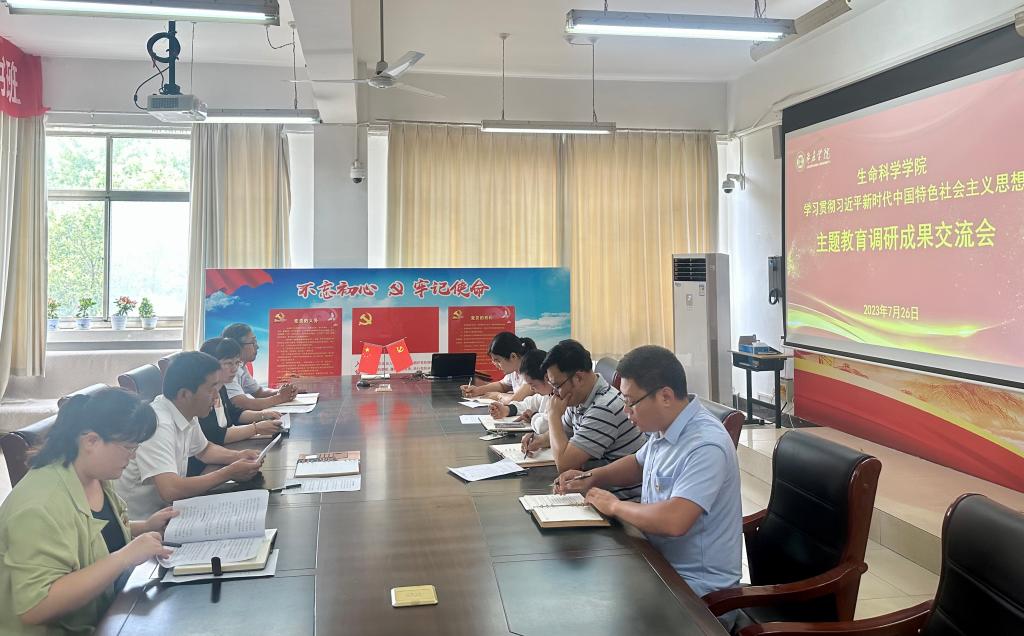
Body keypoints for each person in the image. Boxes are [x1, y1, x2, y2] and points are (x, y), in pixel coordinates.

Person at [554, 344, 742, 622]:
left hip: (696, 592)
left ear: (665, 396)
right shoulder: (666, 425)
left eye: (631, 402)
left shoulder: (705, 445)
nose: (626, 410)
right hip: (656, 562)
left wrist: (615, 506)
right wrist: (592, 477)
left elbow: (674, 521)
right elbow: (639, 464)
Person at [0, 388, 178, 634]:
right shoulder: (39, 506)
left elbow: (91, 536)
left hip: (105, 611)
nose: (132, 457)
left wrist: (145, 526)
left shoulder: (94, 475)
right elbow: (36, 606)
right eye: (128, 448)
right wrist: (124, 557)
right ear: (91, 441)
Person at [116, 351, 264, 518]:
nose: (216, 396)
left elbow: (204, 450)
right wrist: (228, 473)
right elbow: (170, 490)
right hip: (145, 523)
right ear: (184, 394)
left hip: (169, 512)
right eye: (211, 389)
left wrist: (238, 456)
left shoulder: (185, 410)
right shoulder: (158, 424)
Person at [529, 339, 646, 499]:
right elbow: (564, 432)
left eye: (557, 386)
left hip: (619, 501)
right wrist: (538, 440)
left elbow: (565, 464)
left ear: (578, 378)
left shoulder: (604, 407)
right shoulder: (579, 397)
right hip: (596, 493)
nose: (554, 393)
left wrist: (553, 415)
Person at [188, 337, 285, 476]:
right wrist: (256, 428)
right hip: (204, 467)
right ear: (210, 364)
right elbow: (215, 436)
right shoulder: (201, 397)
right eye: (228, 363)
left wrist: (263, 415)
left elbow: (235, 414)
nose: (234, 369)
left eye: (237, 363)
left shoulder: (221, 388)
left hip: (218, 457)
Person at [221, 323, 299, 411]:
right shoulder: (227, 370)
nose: (257, 347)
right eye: (253, 342)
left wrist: (285, 392)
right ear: (237, 346)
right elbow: (244, 403)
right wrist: (281, 397)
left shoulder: (241, 366)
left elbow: (259, 392)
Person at [488, 349, 552, 436]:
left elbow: (543, 426)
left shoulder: (559, 397)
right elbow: (528, 403)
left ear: (546, 378)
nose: (531, 389)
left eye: (533, 385)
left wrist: (533, 416)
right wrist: (507, 410)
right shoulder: (546, 393)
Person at [461, 332, 536, 404]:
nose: (496, 365)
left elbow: (515, 400)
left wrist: (498, 396)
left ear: (513, 356)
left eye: (498, 360)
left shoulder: (532, 372)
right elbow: (502, 385)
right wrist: (477, 390)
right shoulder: (514, 370)